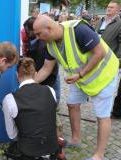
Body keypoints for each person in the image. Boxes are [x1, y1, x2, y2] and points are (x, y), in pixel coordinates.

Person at [33, 15, 119, 160]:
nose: (37, 38)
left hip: (104, 75)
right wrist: (29, 83)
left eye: (38, 34)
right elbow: (46, 69)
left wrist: (80, 74)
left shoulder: (78, 30)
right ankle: (76, 139)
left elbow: (100, 53)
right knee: (72, 104)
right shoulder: (50, 44)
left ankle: (99, 155)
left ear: (49, 28)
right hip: (80, 78)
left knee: (102, 116)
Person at [2, 57, 58, 160]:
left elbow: (12, 134)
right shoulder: (50, 90)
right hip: (52, 148)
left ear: (16, 75)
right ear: (36, 74)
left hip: (28, 152)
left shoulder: (9, 99)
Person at [95, 0, 121, 119]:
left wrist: (117, 60)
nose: (108, 9)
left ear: (117, 10)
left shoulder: (119, 23)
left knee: (107, 87)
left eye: (111, 7)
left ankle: (104, 112)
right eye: (107, 7)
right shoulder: (100, 21)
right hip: (96, 57)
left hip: (110, 60)